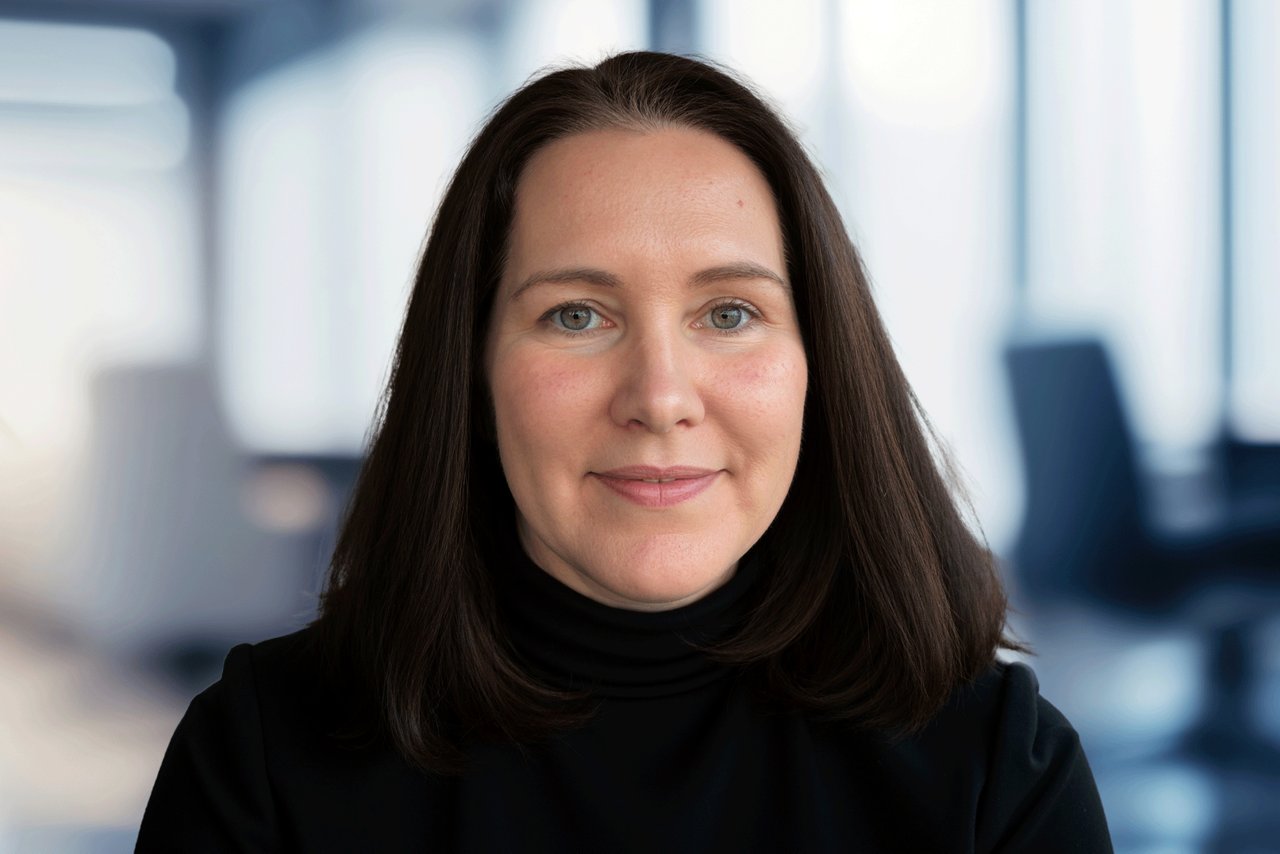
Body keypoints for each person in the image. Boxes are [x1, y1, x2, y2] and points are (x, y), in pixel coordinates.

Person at [136, 51, 1112, 852]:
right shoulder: (260, 758)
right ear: (469, 372)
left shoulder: (996, 763)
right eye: (574, 314)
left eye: (728, 312)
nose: (658, 396)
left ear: (822, 367)